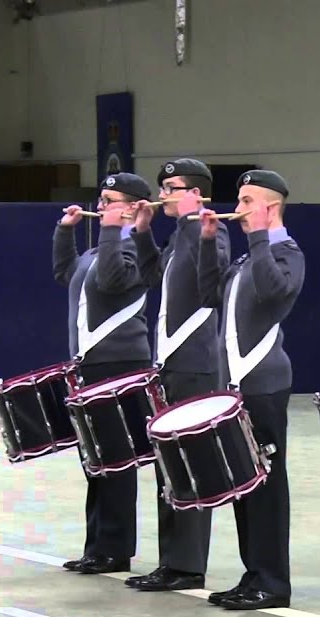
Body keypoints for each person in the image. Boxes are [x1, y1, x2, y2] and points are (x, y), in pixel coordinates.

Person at [196, 170, 304, 610]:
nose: (238, 208)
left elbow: (274, 292)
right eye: (238, 200)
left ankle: (273, 582)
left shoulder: (288, 253)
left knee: (267, 486)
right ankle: (253, 573)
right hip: (235, 387)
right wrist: (207, 244)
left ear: (270, 207)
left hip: (264, 386)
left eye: (246, 201)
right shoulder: (244, 261)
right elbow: (208, 296)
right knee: (244, 484)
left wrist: (259, 237)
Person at [124, 158, 230, 592]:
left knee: (190, 466)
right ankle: (172, 560)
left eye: (171, 187)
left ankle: (187, 564)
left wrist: (202, 235)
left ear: (196, 194)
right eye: (162, 186)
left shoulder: (210, 231)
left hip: (195, 364)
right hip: (170, 363)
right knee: (169, 467)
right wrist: (144, 232)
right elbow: (150, 276)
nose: (162, 193)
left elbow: (216, 281)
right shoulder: (178, 236)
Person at [52, 172, 154, 575]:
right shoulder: (101, 249)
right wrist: (65, 231)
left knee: (115, 457)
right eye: (101, 197)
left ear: (131, 207)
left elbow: (114, 280)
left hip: (120, 361)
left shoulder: (132, 250)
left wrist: (112, 230)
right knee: (94, 458)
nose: (101, 204)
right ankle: (96, 545)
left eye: (109, 199)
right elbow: (66, 273)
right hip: (91, 362)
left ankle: (115, 547)